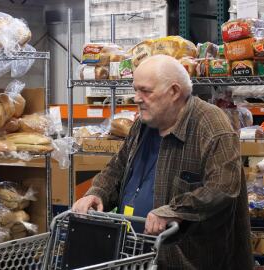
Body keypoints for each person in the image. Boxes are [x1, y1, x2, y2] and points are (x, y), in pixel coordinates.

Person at [72, 55, 253, 269]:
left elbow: (223, 188)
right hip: (135, 255)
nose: (137, 98)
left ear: (174, 92)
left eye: (145, 91)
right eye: (135, 89)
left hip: (189, 260)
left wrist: (174, 210)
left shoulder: (212, 126)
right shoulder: (144, 124)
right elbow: (117, 168)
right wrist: (97, 192)